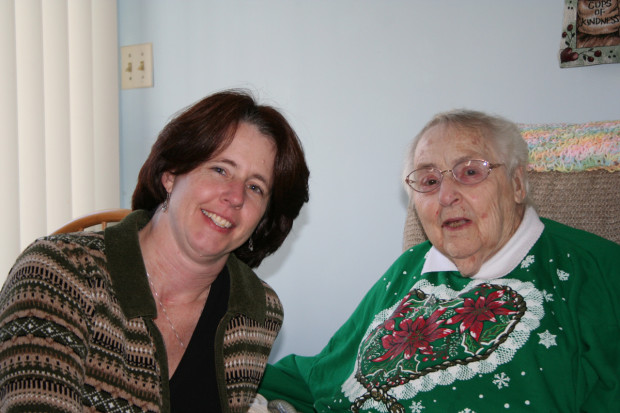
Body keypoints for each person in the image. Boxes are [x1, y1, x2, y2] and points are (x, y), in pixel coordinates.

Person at [258, 110, 620, 412]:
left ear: (517, 183)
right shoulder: (412, 267)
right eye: (429, 180)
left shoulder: (597, 271)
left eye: (471, 172)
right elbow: (322, 373)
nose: (447, 195)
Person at [0, 89, 310, 413]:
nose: (235, 196)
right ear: (171, 174)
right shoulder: (57, 275)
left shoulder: (258, 311)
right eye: (221, 169)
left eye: (255, 187)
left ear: (262, 219)